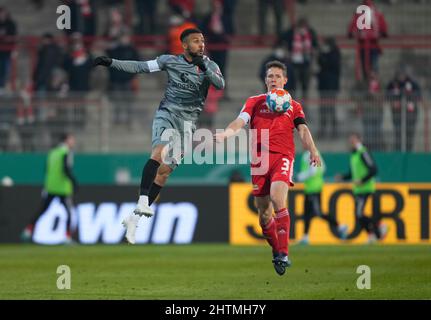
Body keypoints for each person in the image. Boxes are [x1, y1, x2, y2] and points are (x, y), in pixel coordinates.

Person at [93, 28, 225, 244]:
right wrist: (111, 62)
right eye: (195, 41)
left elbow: (220, 85)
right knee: (158, 152)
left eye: (202, 41)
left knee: (163, 173)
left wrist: (204, 68)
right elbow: (140, 67)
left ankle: (133, 219)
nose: (201, 44)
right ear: (184, 45)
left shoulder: (210, 65)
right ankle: (143, 200)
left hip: (188, 125)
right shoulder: (169, 61)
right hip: (167, 114)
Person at [214, 60, 321, 276]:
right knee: (263, 214)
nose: (273, 80)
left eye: (277, 76)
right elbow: (239, 121)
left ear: (285, 80)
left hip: (283, 157)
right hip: (259, 162)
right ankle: (276, 250)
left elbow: (302, 130)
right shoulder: (254, 102)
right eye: (270, 76)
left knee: (277, 197)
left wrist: (312, 149)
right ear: (265, 80)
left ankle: (283, 253)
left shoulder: (294, 105)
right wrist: (226, 133)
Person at [21, 133, 78, 244]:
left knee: (42, 210)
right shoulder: (66, 152)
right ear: (66, 140)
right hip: (62, 188)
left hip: (50, 187)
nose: (73, 142)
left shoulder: (52, 152)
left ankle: (28, 230)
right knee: (69, 213)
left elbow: (47, 169)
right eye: (71, 139)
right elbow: (66, 169)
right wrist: (74, 182)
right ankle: (67, 237)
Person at [335, 132, 387, 244]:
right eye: (351, 141)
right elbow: (352, 174)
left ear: (359, 140)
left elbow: (373, 169)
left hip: (366, 188)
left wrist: (362, 180)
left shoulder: (363, 152)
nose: (351, 143)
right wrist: (342, 177)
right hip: (358, 189)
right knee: (359, 215)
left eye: (353, 140)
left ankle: (379, 226)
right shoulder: (354, 155)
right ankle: (372, 234)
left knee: (359, 214)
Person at [296, 150, 348, 245]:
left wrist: (300, 177)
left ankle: (340, 226)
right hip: (313, 188)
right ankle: (305, 237)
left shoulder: (308, 154)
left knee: (318, 212)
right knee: (307, 213)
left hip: (313, 189)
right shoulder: (317, 153)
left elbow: (313, 171)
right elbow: (323, 168)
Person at [386, 67, 421, 151]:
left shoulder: (412, 83)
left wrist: (409, 98)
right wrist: (394, 101)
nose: (401, 76)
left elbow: (418, 95)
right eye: (400, 74)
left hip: (410, 115)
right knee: (398, 134)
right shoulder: (392, 84)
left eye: (403, 74)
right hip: (397, 114)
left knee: (409, 134)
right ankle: (399, 151)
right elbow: (387, 95)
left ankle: (409, 151)